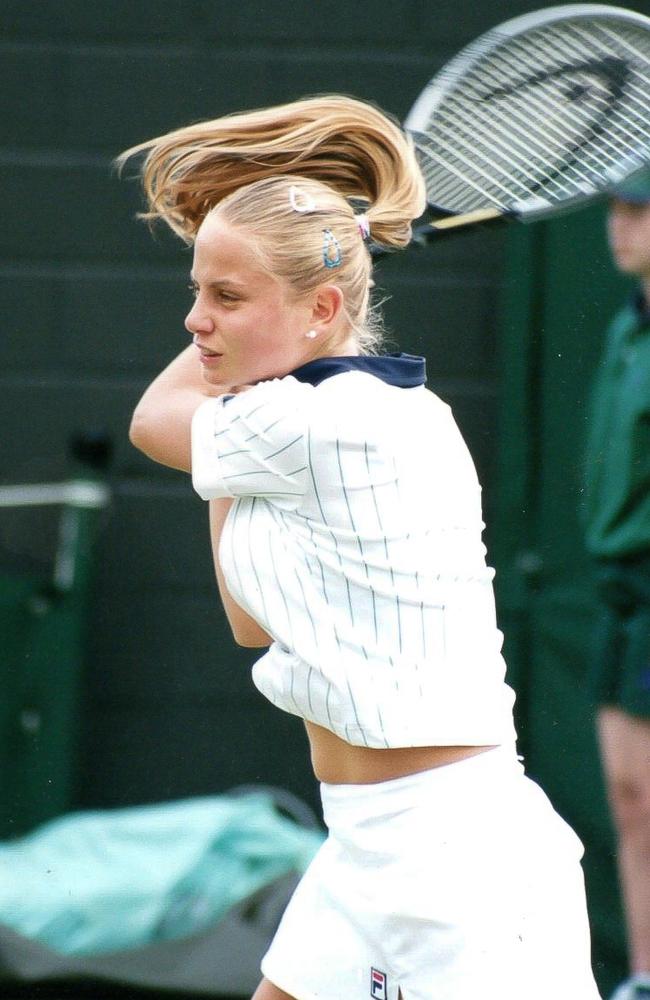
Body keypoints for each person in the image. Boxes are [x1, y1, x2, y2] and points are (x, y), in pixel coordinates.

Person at [120, 95, 601, 1000]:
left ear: (325, 306)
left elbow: (154, 420)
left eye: (225, 296)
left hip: (463, 870)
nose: (196, 321)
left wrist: (233, 391)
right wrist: (246, 351)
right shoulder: (302, 425)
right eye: (196, 292)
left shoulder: (328, 425)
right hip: (364, 845)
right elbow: (250, 624)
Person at [583, 169, 650, 1000]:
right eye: (615, 207)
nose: (619, 224)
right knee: (632, 795)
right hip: (619, 591)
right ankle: (642, 975)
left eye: (640, 209)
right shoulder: (623, 325)